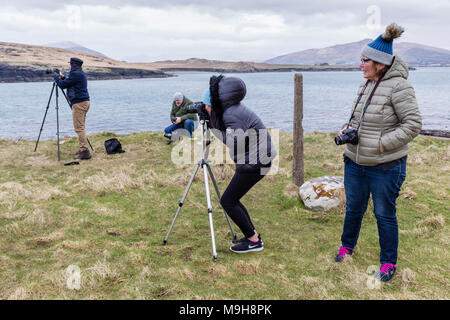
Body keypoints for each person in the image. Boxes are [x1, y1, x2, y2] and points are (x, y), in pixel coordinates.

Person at [334, 24, 422, 281]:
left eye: (364, 61)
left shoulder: (399, 87)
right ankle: (347, 246)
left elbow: (413, 124)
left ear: (380, 64)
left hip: (385, 165)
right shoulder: (366, 84)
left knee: (384, 213)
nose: (360, 65)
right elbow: (360, 119)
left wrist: (382, 144)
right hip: (354, 161)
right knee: (353, 208)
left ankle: (387, 263)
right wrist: (347, 128)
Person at [202, 75, 277, 254]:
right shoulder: (232, 110)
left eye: (206, 105)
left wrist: (213, 127)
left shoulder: (231, 114)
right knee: (233, 198)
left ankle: (253, 241)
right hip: (256, 158)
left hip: (256, 161)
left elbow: (236, 141)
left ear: (213, 104)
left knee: (228, 200)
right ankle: (253, 236)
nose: (204, 108)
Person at [54, 57, 91, 160]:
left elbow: (62, 85)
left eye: (70, 64)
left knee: (79, 128)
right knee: (81, 127)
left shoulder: (75, 74)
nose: (69, 66)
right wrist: (61, 77)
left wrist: (56, 77)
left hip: (79, 103)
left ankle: (84, 151)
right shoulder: (80, 73)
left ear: (74, 65)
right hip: (84, 102)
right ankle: (83, 149)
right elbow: (68, 82)